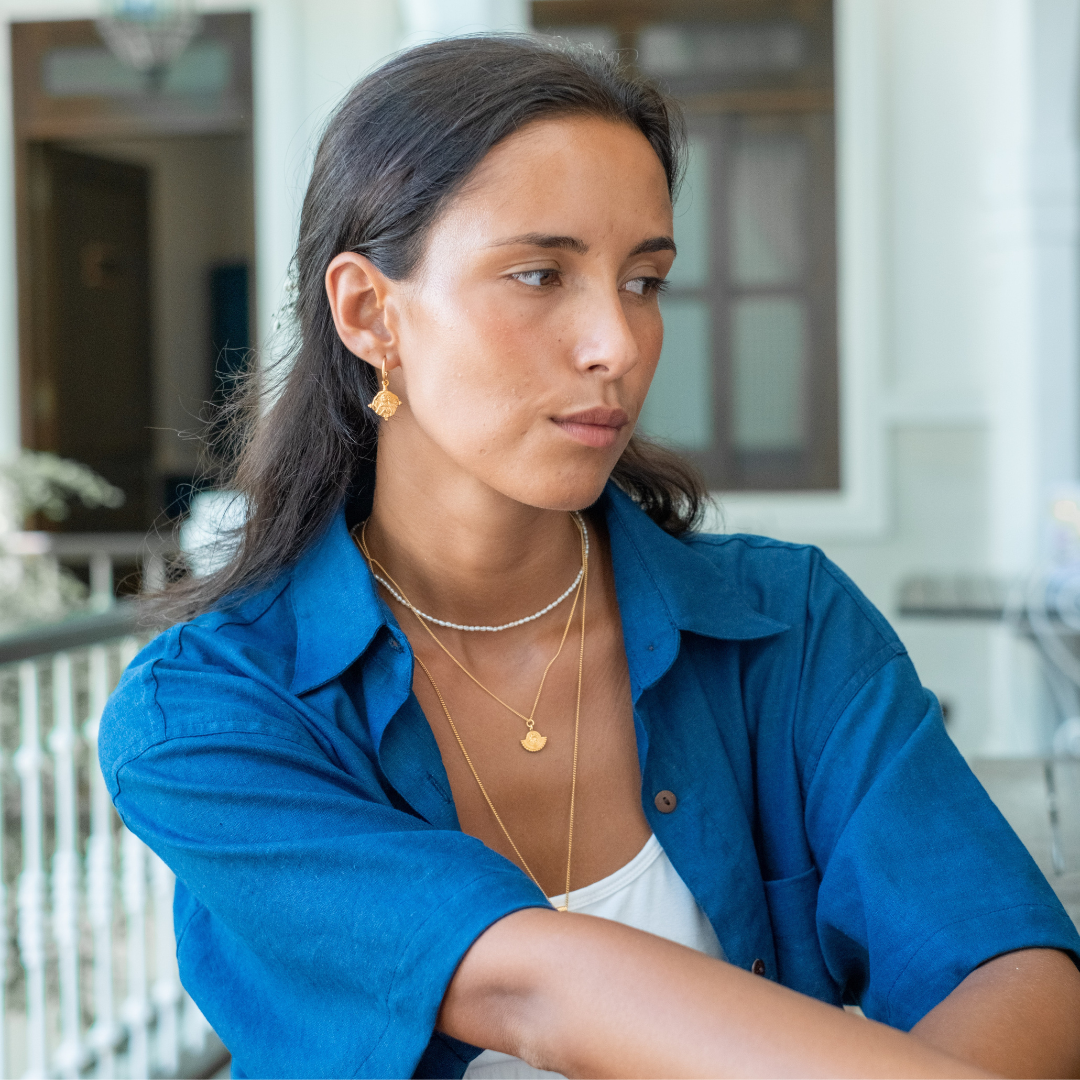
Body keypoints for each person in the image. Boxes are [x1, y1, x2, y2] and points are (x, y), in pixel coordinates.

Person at [100, 35, 1080, 1079]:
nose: (617, 343)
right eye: (540, 274)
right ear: (370, 313)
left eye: (645, 281)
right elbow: (528, 989)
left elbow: (1013, 968)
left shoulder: (788, 628)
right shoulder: (209, 712)